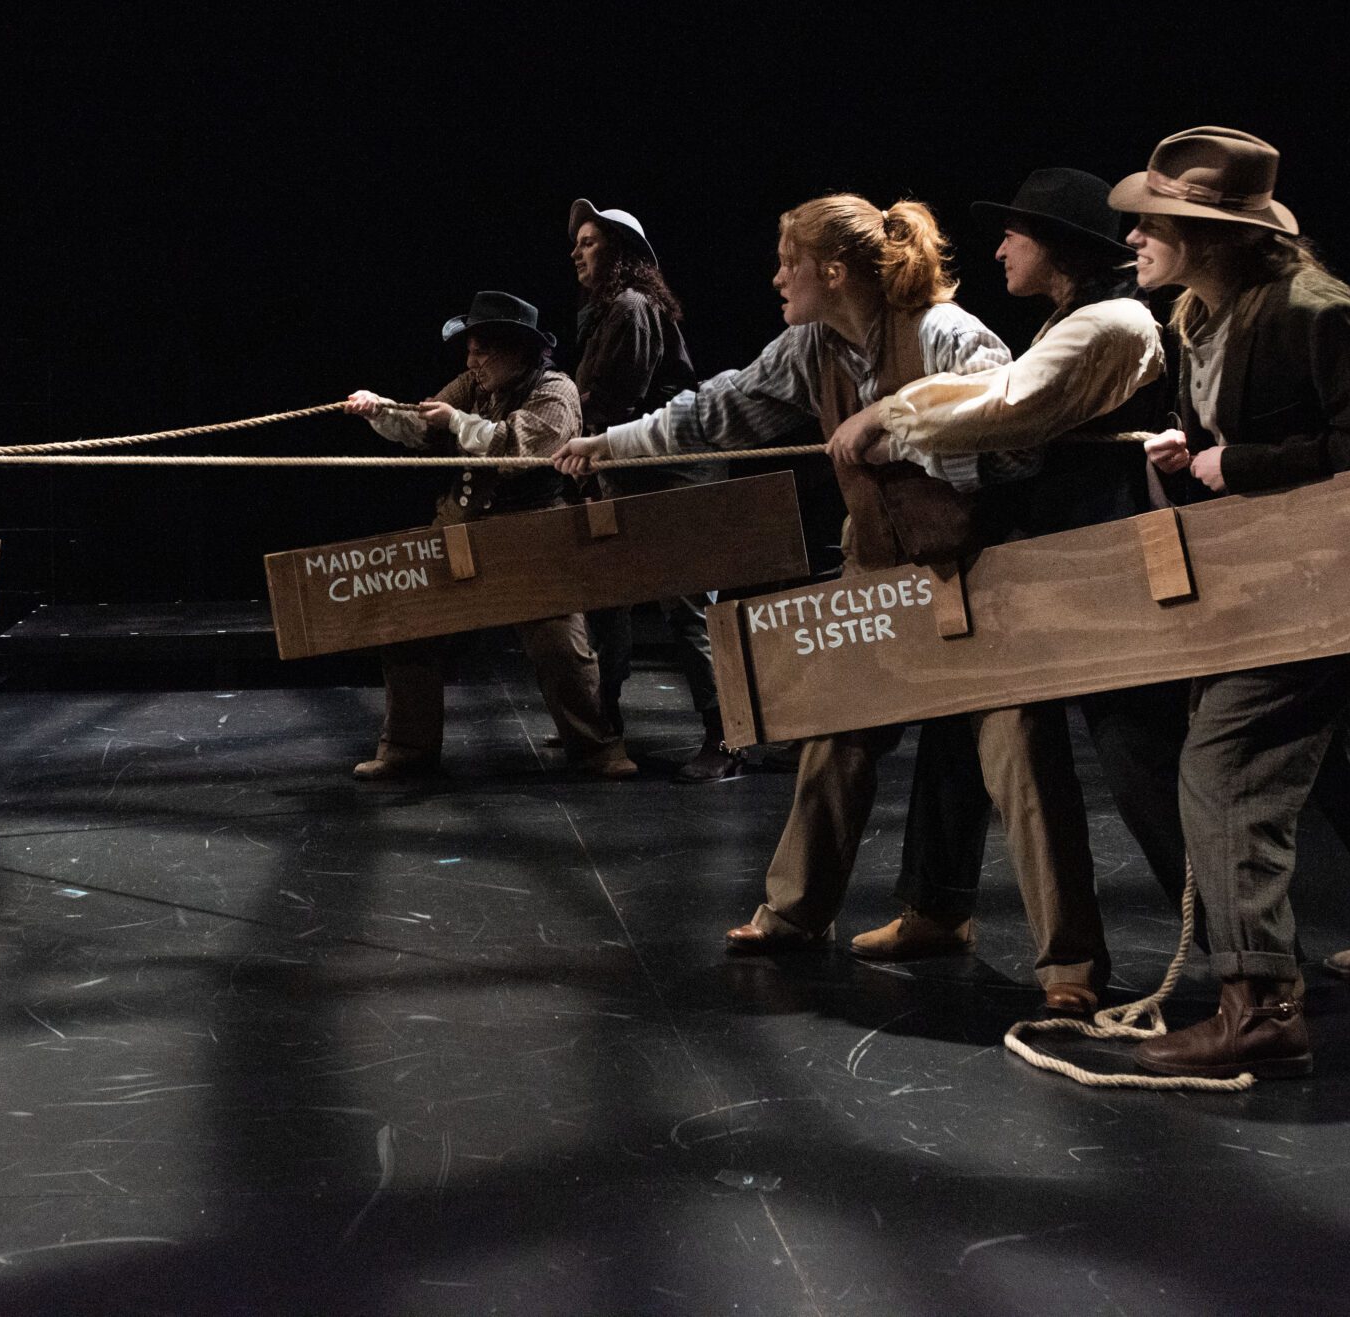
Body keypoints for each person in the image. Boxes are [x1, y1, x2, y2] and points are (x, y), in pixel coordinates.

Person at [556, 195, 1110, 1017]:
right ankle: (794, 913)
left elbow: (1018, 441)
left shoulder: (948, 334)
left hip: (977, 570)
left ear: (834, 270)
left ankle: (1071, 962)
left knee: (1020, 755)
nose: (777, 276)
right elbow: (713, 410)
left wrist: (904, 431)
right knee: (837, 731)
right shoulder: (809, 346)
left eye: (789, 261)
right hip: (879, 566)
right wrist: (608, 444)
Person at [1114, 127, 1350, 1080]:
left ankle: (1261, 1011)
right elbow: (1234, 431)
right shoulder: (1199, 314)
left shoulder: (1313, 310)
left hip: (1325, 583)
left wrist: (1240, 463)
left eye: (1152, 222)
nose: (1135, 239)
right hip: (1272, 580)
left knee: (1226, 766)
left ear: (1208, 232)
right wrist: (1189, 448)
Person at [824, 169, 1187, 967]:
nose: (998, 248)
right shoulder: (1075, 318)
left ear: (1055, 246)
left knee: (1139, 761)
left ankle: (1241, 957)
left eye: (1014, 235)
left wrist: (889, 414)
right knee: (958, 721)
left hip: (1103, 571)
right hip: (1046, 563)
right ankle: (936, 906)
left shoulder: (1113, 323)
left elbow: (1012, 403)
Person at [342, 291, 629, 780]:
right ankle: (407, 750)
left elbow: (517, 452)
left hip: (532, 537)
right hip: (461, 527)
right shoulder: (472, 386)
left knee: (560, 646)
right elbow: (422, 423)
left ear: (516, 350)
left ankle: (596, 748)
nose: (471, 361)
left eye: (481, 351)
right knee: (412, 628)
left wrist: (455, 421)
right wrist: (380, 411)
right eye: (470, 351)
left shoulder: (555, 392)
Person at [564, 200, 733, 782]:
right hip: (627, 471)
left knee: (685, 604)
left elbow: (614, 402)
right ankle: (603, 723)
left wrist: (565, 437)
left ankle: (725, 736)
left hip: (673, 474)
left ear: (620, 253)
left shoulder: (633, 307)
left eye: (590, 242)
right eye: (577, 242)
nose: (577, 252)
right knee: (608, 596)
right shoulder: (606, 314)